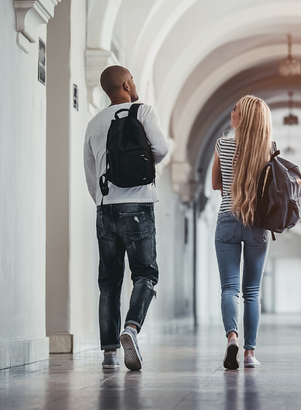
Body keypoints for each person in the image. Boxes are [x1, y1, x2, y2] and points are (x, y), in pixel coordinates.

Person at [84, 65, 168, 370]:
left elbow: (90, 172)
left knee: (109, 281)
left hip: (105, 207)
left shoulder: (94, 122)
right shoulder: (142, 112)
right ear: (126, 83)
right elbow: (161, 149)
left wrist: (104, 199)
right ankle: (130, 328)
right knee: (145, 274)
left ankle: (109, 353)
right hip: (139, 204)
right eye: (131, 79)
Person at [211, 95, 272, 369]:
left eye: (234, 109)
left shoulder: (222, 144)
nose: (231, 111)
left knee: (229, 289)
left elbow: (215, 184)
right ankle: (249, 354)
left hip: (227, 219)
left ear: (242, 117)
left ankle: (232, 338)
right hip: (257, 224)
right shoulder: (269, 149)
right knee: (252, 292)